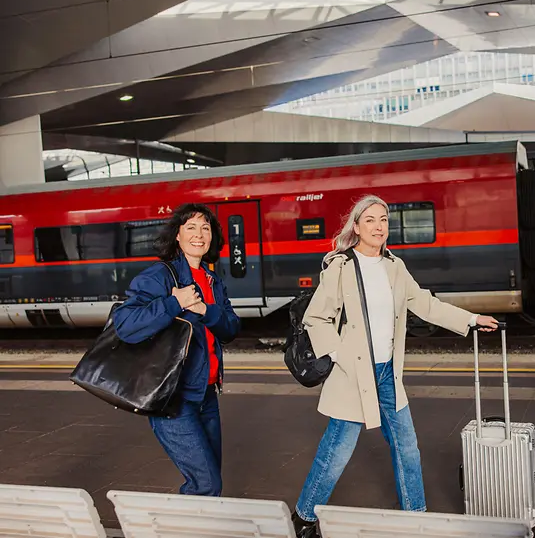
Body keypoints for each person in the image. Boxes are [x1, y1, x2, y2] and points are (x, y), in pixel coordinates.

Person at [291, 194, 499, 537]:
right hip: (353, 375)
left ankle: (417, 516)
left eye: (384, 220)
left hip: (387, 373)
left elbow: (425, 304)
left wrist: (471, 319)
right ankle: (304, 518)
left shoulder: (394, 266)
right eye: (370, 220)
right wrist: (343, 356)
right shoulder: (341, 266)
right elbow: (316, 319)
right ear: (356, 226)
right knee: (336, 452)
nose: (379, 226)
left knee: (407, 446)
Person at [112, 203, 241, 496]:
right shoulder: (160, 276)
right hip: (173, 398)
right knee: (206, 484)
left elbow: (232, 328)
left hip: (207, 395)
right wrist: (174, 303)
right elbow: (125, 324)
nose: (199, 234)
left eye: (206, 228)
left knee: (208, 480)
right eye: (191, 227)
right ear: (177, 237)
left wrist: (207, 310)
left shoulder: (212, 280)